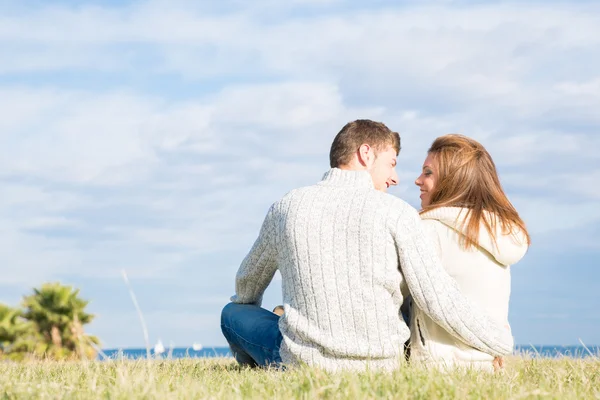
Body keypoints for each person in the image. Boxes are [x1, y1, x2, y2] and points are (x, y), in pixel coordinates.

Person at [220, 120, 513, 372]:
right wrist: (498, 341)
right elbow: (438, 299)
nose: (395, 178)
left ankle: (259, 368)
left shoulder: (286, 206)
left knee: (233, 313)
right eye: (391, 163)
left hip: (304, 362)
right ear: (365, 154)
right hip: (382, 364)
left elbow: (247, 284)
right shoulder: (398, 213)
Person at [411, 134, 530, 371]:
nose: (418, 180)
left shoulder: (428, 231)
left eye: (428, 173)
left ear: (452, 180)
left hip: (438, 369)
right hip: (489, 367)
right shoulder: (498, 232)